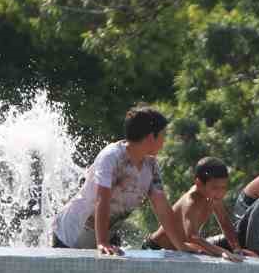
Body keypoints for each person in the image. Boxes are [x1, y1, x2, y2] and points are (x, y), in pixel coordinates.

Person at [50, 106, 187, 255]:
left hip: (105, 237)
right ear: (150, 138)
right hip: (69, 235)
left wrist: (182, 246)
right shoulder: (112, 157)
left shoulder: (151, 165)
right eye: (162, 136)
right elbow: (102, 200)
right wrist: (102, 242)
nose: (164, 141)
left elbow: (162, 208)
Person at [144, 157, 252, 260]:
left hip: (178, 250)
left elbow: (225, 223)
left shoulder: (213, 196)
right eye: (215, 188)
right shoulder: (191, 202)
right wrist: (222, 251)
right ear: (199, 183)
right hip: (155, 249)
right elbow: (192, 237)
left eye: (223, 187)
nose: (220, 193)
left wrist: (237, 250)